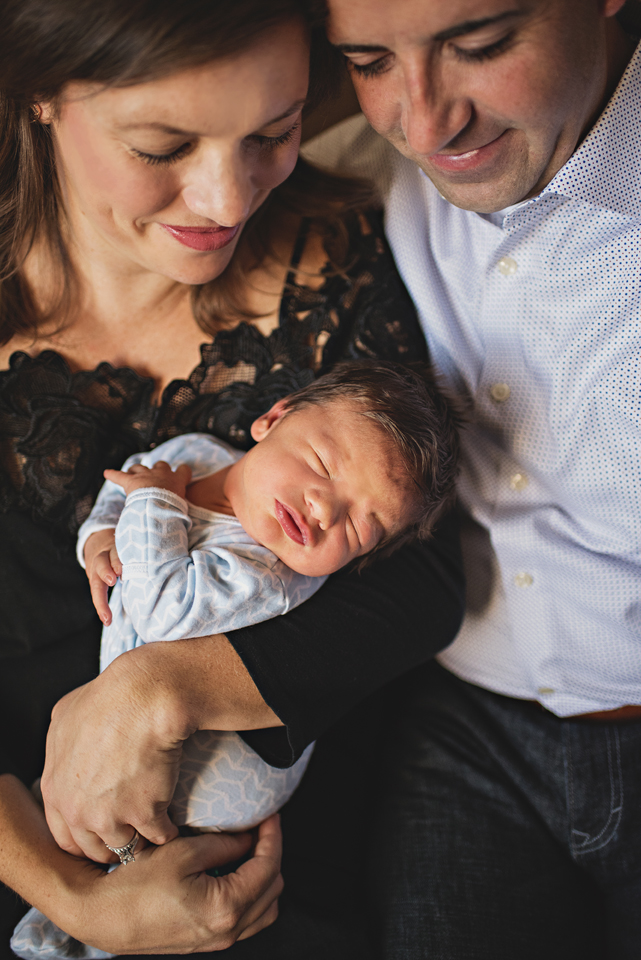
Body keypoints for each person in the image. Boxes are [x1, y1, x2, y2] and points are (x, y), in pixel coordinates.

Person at [0, 1, 465, 957]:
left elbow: (424, 578)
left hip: (284, 880)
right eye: (162, 146)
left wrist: (164, 686)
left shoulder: (337, 259)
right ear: (39, 93)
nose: (225, 199)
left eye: (273, 132)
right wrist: (76, 901)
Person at [299, 0, 641, 956]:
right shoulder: (358, 177)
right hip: (460, 724)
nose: (424, 123)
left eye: (480, 46)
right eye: (369, 61)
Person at [13, 358, 460, 960]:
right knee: (69, 806)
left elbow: (163, 610)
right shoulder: (197, 452)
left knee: (135, 835)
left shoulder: (266, 574)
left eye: (360, 526)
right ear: (273, 418)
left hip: (219, 786)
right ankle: (73, 910)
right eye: (321, 464)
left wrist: (156, 501)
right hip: (142, 728)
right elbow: (124, 486)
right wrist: (97, 538)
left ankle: (89, 930)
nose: (325, 510)